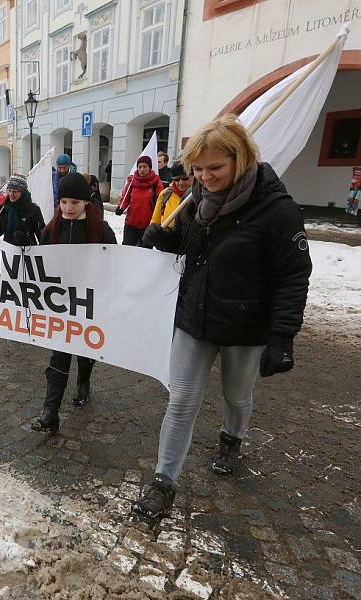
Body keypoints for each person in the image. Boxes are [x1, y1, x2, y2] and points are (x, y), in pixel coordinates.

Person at [133, 115, 312, 518]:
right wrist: (166, 239)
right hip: (195, 318)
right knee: (180, 401)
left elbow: (293, 275)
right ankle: (164, 482)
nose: (204, 176)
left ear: (241, 159)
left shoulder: (276, 210)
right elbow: (193, 246)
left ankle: (232, 438)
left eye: (215, 168)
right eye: (197, 168)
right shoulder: (198, 201)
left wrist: (282, 336)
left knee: (236, 395)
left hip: (245, 327)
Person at [31, 172, 117, 433]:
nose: (68, 208)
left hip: (89, 304)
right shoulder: (51, 228)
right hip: (60, 305)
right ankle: (50, 412)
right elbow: (40, 263)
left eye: (74, 203)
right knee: (58, 354)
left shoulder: (100, 229)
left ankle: (83, 380)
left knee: (85, 350)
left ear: (86, 203)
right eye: (63, 202)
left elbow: (115, 263)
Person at [115, 155, 163, 246]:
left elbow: (160, 203)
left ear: (150, 168)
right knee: (127, 248)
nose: (142, 169)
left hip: (147, 224)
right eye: (139, 167)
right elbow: (125, 197)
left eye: (145, 166)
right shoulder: (131, 182)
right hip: (131, 223)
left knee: (144, 251)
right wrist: (121, 207)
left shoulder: (156, 183)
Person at [0, 174, 45, 246]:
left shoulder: (33, 209)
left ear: (22, 192)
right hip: (8, 250)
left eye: (15, 191)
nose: (11, 194)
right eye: (9, 191)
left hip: (29, 251)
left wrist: (45, 251)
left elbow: (41, 234)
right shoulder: (4, 208)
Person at [148, 161, 191, 229]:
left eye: (184, 178)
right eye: (176, 180)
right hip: (165, 237)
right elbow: (155, 221)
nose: (181, 183)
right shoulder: (165, 194)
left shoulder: (197, 195)